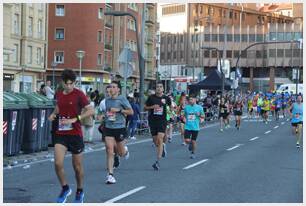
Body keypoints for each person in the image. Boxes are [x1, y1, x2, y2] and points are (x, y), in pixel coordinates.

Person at [48, 69, 94, 203]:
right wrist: (53, 114)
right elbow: (58, 106)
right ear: (62, 82)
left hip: (75, 134)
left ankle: (80, 190)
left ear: (74, 82)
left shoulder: (79, 94)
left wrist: (76, 119)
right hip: (61, 133)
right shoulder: (59, 93)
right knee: (57, 163)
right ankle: (65, 188)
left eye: (71, 83)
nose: (69, 86)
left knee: (77, 167)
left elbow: (91, 110)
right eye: (66, 84)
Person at [103, 81, 133, 184]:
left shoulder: (122, 99)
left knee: (121, 153)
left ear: (118, 89)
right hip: (108, 127)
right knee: (109, 149)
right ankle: (110, 175)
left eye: (114, 87)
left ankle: (125, 151)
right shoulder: (106, 100)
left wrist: (119, 110)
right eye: (110, 86)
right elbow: (107, 112)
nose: (111, 88)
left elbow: (131, 111)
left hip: (119, 128)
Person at [144, 82, 171, 170]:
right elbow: (145, 107)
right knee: (156, 142)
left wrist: (170, 117)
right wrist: (152, 107)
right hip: (153, 121)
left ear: (163, 89)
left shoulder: (166, 98)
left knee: (160, 138)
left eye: (160, 87)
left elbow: (170, 109)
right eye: (157, 87)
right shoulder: (151, 98)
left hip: (162, 121)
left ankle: (157, 161)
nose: (159, 88)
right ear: (155, 89)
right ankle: (162, 146)